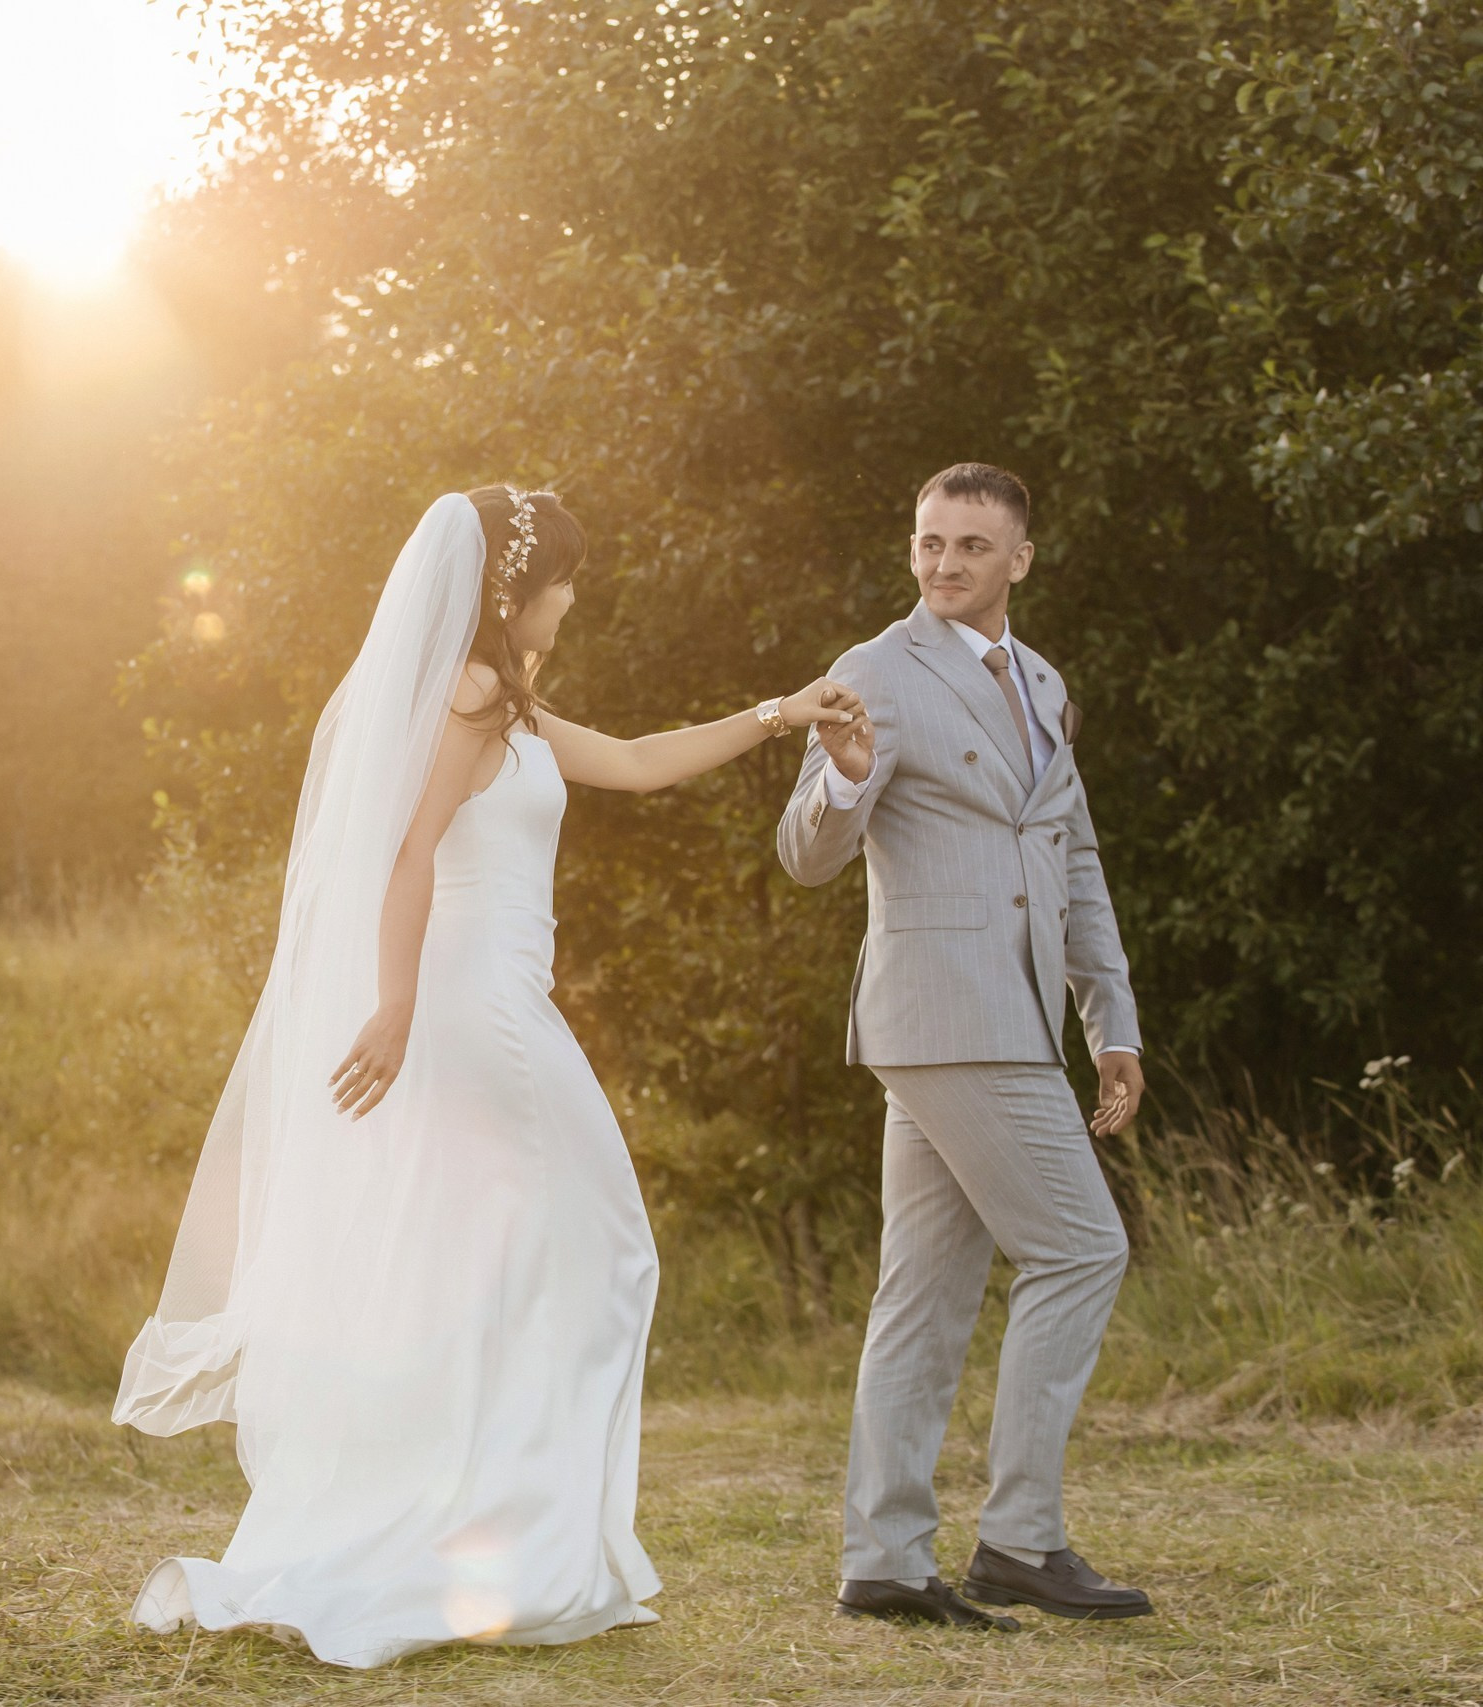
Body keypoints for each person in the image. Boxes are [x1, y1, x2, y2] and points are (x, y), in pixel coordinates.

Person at [113, 486, 866, 1668]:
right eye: (563, 579)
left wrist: (780, 713)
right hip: (474, 1009)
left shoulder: (508, 708)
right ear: (513, 592)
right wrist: (398, 1009)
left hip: (499, 1001)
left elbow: (633, 761)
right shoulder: (466, 698)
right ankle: (504, 1539)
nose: (573, 597)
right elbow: (408, 851)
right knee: (607, 1246)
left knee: (499, 1264)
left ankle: (494, 1536)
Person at [776, 461, 1154, 1629]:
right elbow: (805, 854)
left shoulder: (1039, 681)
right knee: (1083, 1249)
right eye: (928, 542)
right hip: (945, 1011)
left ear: (1019, 560)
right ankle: (1021, 1541)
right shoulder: (871, 675)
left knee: (925, 1296)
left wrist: (1112, 1021)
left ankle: (883, 1562)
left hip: (1015, 1012)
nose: (943, 564)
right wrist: (841, 783)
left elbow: (1072, 857)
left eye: (970, 547)